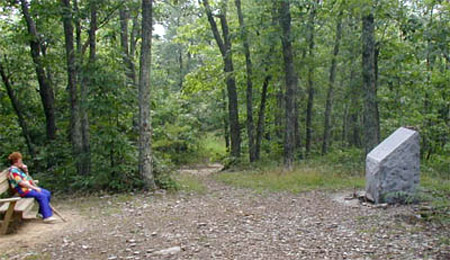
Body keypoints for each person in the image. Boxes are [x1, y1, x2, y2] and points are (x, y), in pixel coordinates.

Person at [7, 152, 57, 223]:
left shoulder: (18, 170)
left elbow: (28, 178)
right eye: (20, 161)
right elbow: (21, 183)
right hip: (22, 190)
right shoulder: (13, 171)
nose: (22, 162)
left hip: (28, 188)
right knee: (42, 196)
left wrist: (26, 170)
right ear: (16, 162)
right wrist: (35, 188)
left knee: (47, 193)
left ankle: (41, 213)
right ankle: (47, 216)